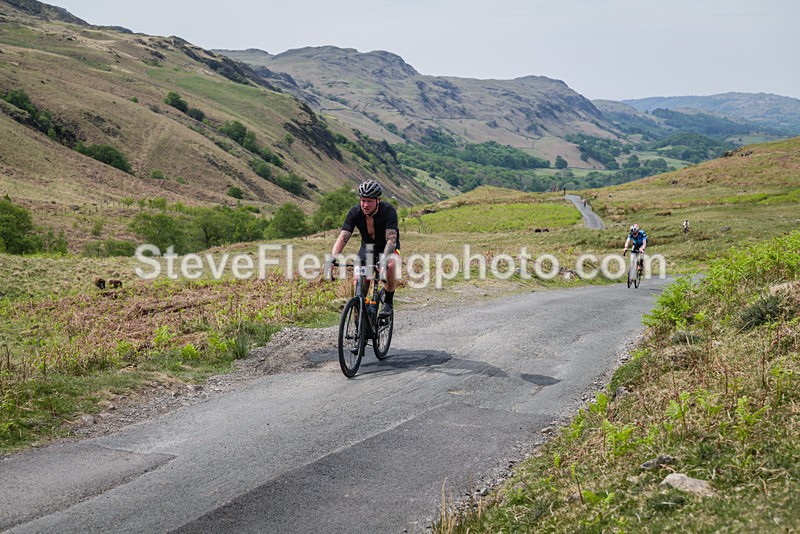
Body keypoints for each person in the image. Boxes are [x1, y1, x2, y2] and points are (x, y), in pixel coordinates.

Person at [325, 180, 400, 318]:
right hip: (367, 249)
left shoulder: (388, 211)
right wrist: (333, 257)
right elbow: (343, 236)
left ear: (378, 200)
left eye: (369, 201)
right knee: (360, 283)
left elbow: (391, 239)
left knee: (391, 265)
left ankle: (388, 302)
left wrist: (383, 260)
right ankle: (359, 315)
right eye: (363, 200)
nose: (365, 205)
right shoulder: (355, 212)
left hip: (387, 248)